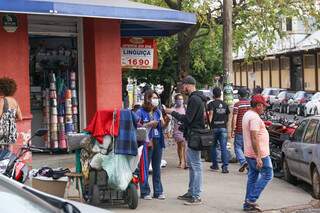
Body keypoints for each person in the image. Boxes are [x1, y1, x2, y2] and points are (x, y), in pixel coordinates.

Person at [165, 75, 206, 205]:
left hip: (195, 135)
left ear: (188, 85)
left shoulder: (194, 99)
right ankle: (191, 192)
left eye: (183, 86)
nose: (183, 89)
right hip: (194, 134)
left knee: (196, 166)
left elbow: (188, 118)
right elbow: (193, 119)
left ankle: (196, 195)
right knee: (193, 166)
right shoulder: (198, 98)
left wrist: (172, 112)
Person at [242, 95, 273, 212]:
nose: (264, 108)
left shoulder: (247, 114)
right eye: (263, 106)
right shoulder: (254, 118)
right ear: (258, 105)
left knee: (253, 177)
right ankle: (251, 199)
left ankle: (247, 204)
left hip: (249, 152)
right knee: (268, 174)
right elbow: (254, 138)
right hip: (259, 154)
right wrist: (259, 157)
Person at [136, 90, 166, 200]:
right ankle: (145, 191)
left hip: (157, 140)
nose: (155, 100)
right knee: (144, 167)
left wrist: (165, 122)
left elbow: (162, 125)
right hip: (146, 142)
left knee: (157, 167)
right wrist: (148, 124)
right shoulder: (140, 112)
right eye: (153, 97)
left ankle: (158, 191)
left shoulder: (158, 111)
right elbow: (137, 127)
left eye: (156, 98)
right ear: (147, 99)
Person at [208, 87, 230, 173]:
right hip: (223, 128)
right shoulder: (225, 104)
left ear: (213, 95)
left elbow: (210, 115)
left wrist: (209, 127)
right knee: (223, 147)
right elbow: (227, 117)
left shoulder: (211, 104)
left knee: (213, 147)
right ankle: (225, 167)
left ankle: (215, 165)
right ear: (220, 94)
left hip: (214, 128)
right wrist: (227, 128)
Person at [231, 88, 250, 172]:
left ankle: (243, 161)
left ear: (238, 95)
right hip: (249, 129)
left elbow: (234, 118)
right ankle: (249, 165)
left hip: (239, 129)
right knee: (246, 148)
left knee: (237, 147)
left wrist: (232, 129)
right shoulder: (250, 104)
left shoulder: (237, 104)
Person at [0, 77, 22, 149]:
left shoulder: (2, 100)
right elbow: (20, 118)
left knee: (1, 153)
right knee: (9, 151)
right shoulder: (15, 101)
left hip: (2, 130)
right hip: (12, 130)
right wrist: (10, 120)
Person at [172, 94, 187, 169]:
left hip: (184, 130)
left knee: (184, 145)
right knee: (179, 146)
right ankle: (181, 161)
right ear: (175, 100)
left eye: (181, 99)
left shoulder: (185, 108)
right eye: (179, 99)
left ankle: (184, 162)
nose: (180, 101)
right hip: (177, 129)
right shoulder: (173, 109)